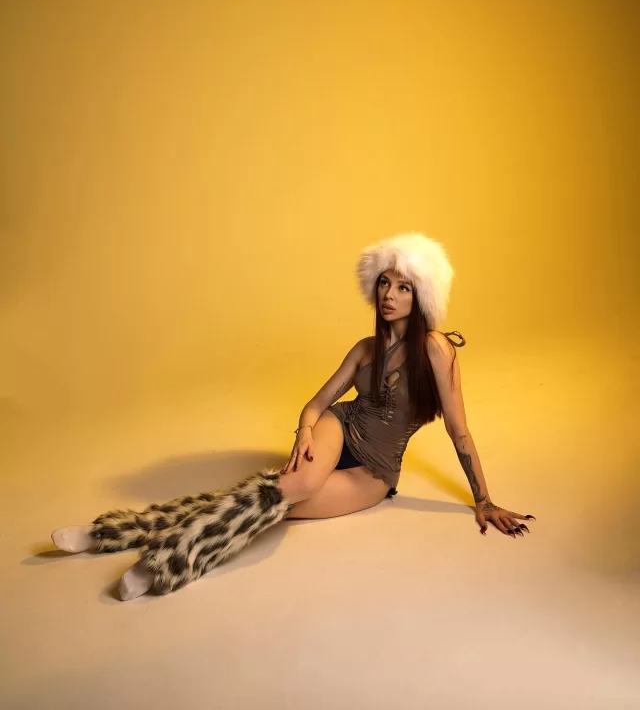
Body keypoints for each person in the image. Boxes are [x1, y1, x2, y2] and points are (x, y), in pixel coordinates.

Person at [51, 231, 536, 600]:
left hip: (376, 470)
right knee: (295, 485)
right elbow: (317, 403)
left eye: (403, 287)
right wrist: (305, 431)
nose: (390, 294)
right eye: (385, 283)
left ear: (421, 296)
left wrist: (483, 499)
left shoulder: (436, 351)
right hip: (341, 427)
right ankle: (166, 565)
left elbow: (459, 430)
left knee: (276, 502)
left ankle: (115, 533)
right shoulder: (365, 349)